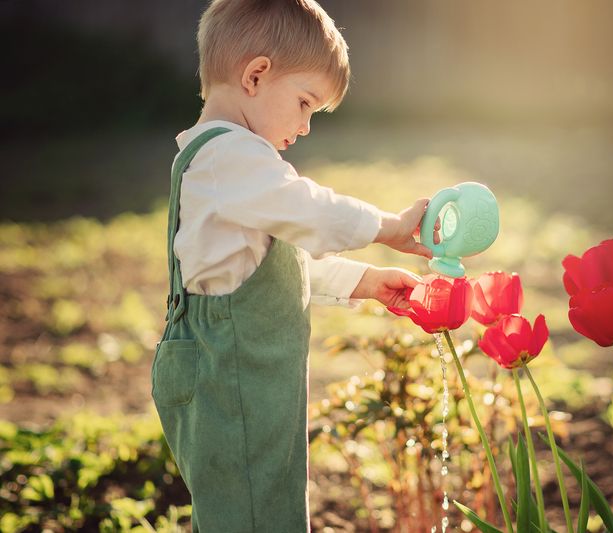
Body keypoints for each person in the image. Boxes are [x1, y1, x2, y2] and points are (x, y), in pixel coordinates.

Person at [151, 1, 436, 531]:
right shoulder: (229, 158)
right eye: (305, 103)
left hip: (239, 380)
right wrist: (390, 227)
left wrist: (365, 281)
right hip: (233, 383)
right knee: (255, 514)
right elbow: (310, 210)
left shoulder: (230, 166)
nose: (306, 126)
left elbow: (273, 266)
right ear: (256, 75)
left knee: (252, 509)